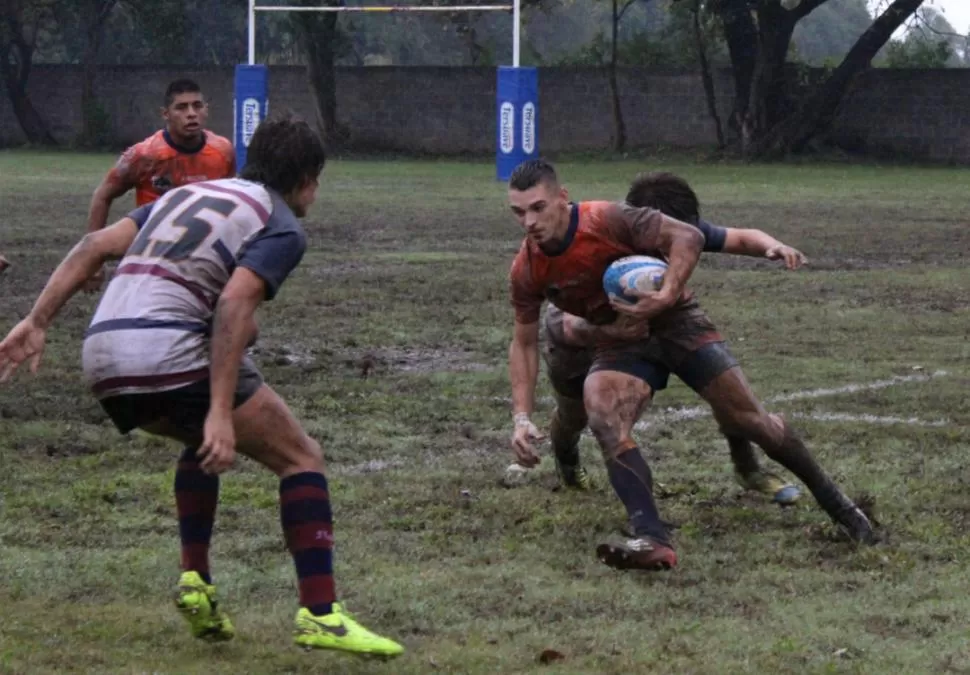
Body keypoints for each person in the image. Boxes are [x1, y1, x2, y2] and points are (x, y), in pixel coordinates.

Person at [0, 113, 403, 658]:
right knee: (302, 458)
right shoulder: (280, 223)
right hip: (166, 353)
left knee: (197, 440)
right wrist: (219, 408)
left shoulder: (188, 196)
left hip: (101, 354)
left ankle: (196, 580)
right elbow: (234, 304)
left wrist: (38, 321)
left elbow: (94, 243)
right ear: (309, 178)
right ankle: (321, 613)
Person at [505, 159, 875, 572]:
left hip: (676, 322)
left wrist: (666, 297)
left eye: (537, 208)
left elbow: (694, 236)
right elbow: (527, 340)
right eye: (519, 212)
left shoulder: (609, 218)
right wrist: (521, 416)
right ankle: (651, 537)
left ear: (562, 198)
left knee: (752, 420)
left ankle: (843, 510)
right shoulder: (528, 268)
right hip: (609, 336)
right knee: (597, 411)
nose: (528, 222)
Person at [541, 171, 807, 507]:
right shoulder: (606, 237)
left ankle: (748, 469)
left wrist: (774, 246)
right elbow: (567, 319)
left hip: (653, 324)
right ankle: (567, 462)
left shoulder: (678, 231)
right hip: (578, 333)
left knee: (726, 394)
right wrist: (599, 330)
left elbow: (740, 237)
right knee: (574, 414)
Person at [83, 78, 235, 292]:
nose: (191, 113)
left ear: (206, 110)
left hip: (203, 259)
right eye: (181, 107)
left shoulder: (223, 151)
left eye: (197, 106)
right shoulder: (144, 155)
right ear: (165, 114)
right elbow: (102, 196)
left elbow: (230, 204)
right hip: (153, 259)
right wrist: (94, 262)